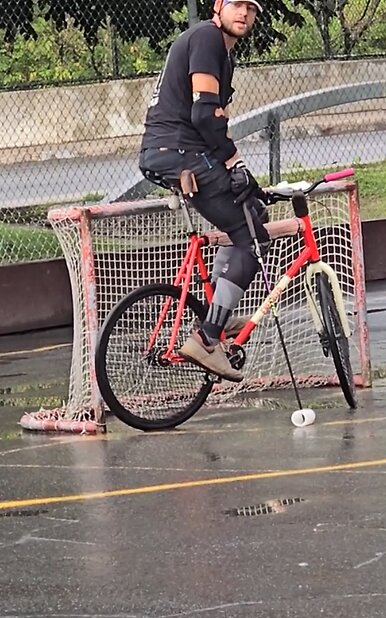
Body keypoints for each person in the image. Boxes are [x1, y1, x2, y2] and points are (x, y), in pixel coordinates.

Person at [138, 0, 267, 383]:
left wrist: (235, 166)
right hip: (180, 153)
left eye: (251, 7)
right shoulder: (208, 38)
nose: (243, 13)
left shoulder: (220, 51)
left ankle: (217, 314)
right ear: (217, 8)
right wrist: (235, 162)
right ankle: (208, 338)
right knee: (251, 237)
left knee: (251, 209)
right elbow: (204, 116)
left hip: (176, 152)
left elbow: (210, 119)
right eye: (236, 4)